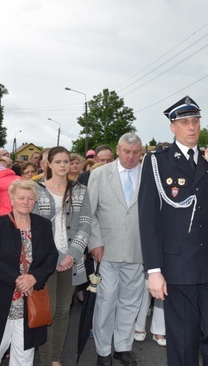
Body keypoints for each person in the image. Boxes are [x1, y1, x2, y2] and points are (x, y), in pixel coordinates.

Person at [138, 96, 208, 366]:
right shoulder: (157, 162)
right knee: (183, 340)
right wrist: (153, 271)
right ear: (173, 128)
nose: (192, 127)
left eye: (195, 121)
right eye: (185, 122)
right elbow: (148, 220)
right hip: (178, 266)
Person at [0, 180, 58, 366]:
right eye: (21, 197)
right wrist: (18, 279)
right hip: (0, 297)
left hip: (29, 299)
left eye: (30, 198)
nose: (25, 202)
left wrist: (34, 277)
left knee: (24, 355)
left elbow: (51, 256)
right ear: (11, 199)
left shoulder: (42, 225)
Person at [88, 133, 145, 366]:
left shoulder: (149, 174)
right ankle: (103, 351)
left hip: (138, 248)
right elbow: (89, 212)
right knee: (106, 301)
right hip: (106, 250)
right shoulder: (99, 174)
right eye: (126, 152)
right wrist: (95, 242)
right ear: (118, 150)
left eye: (136, 153)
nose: (131, 157)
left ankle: (123, 346)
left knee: (131, 302)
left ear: (141, 152)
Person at [34, 146, 92, 366]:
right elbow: (33, 227)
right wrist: (55, 258)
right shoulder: (36, 189)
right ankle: (46, 358)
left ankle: (55, 358)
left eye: (66, 161)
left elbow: (85, 224)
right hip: (44, 261)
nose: (62, 165)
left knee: (63, 310)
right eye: (57, 161)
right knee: (46, 311)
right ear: (48, 163)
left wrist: (73, 254)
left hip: (71, 260)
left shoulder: (80, 190)